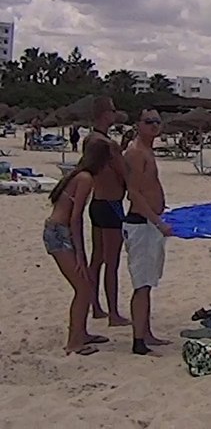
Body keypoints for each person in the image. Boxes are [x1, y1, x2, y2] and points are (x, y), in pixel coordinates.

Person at [44, 139, 112, 355]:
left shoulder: (77, 175)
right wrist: (80, 254)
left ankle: (81, 333)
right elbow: (76, 219)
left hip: (57, 231)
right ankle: (74, 342)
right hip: (59, 233)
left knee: (85, 285)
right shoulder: (85, 179)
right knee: (83, 288)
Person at [122, 109, 173, 355]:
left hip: (150, 222)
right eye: (148, 122)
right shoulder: (135, 153)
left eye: (157, 121)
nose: (154, 126)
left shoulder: (147, 151)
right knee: (141, 284)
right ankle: (138, 341)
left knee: (148, 282)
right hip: (142, 223)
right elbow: (133, 192)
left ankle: (146, 333)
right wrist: (156, 220)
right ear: (138, 125)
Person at [83, 96, 131, 326]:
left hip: (96, 203)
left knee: (97, 259)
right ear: (105, 114)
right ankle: (113, 313)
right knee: (112, 263)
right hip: (112, 205)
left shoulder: (90, 140)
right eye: (112, 111)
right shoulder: (108, 145)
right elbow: (123, 173)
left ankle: (95, 306)